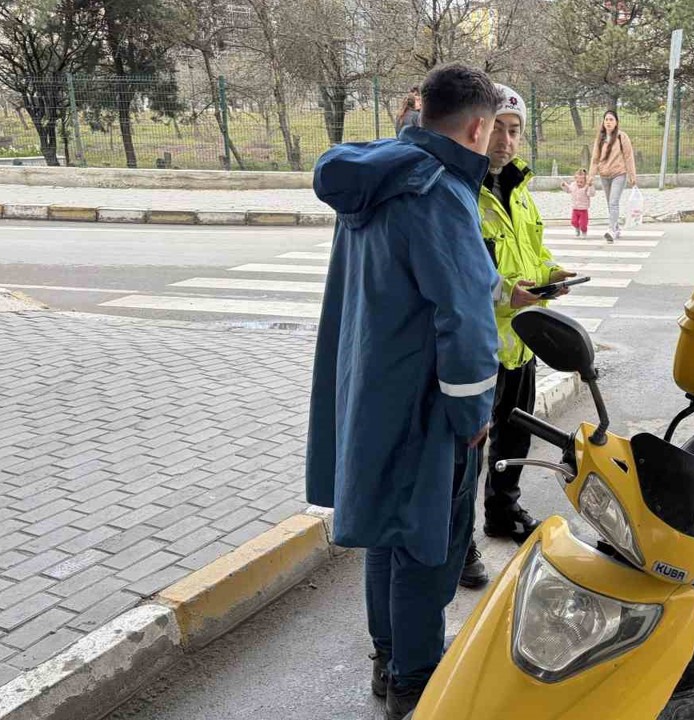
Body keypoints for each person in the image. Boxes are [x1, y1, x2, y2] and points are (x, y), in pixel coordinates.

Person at [306, 63, 502, 720]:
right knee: (427, 541)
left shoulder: (379, 179)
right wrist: (474, 413)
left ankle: (387, 658)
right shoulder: (440, 193)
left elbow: (410, 280)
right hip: (425, 404)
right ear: (477, 125)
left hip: (372, 393)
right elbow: (465, 321)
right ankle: (417, 679)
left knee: (389, 533)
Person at [476, 83, 577, 554]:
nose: (507, 140)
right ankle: (460, 543)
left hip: (520, 339)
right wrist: (507, 293)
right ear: (477, 127)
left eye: (515, 131)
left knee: (514, 435)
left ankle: (502, 511)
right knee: (468, 449)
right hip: (478, 345)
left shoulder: (519, 190)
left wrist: (552, 272)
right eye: (499, 128)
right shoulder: (463, 193)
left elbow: (533, 250)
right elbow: (460, 272)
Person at [589, 110, 638, 243]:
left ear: (616, 122)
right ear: (603, 122)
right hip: (604, 174)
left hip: (619, 174)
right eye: (606, 120)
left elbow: (628, 157)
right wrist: (591, 176)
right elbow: (595, 159)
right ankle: (616, 227)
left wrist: (632, 175)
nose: (608, 122)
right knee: (609, 203)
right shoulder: (600, 138)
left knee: (613, 202)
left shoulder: (622, 137)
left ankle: (611, 230)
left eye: (611, 120)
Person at [563, 169, 596, 237]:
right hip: (575, 208)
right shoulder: (573, 185)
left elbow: (591, 194)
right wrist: (564, 186)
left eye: (581, 182)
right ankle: (577, 228)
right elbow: (568, 190)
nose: (579, 184)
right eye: (577, 181)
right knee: (573, 222)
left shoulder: (587, 186)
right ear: (575, 180)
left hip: (583, 209)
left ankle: (584, 231)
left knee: (583, 224)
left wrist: (590, 186)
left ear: (585, 181)